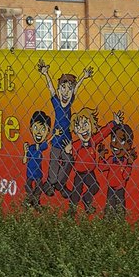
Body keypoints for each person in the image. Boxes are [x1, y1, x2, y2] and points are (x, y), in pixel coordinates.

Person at [37, 60, 93, 197]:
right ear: (59, 89)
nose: (66, 92)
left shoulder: (69, 103)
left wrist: (83, 78)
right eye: (63, 87)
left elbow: (77, 88)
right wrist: (46, 74)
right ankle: (50, 183)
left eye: (69, 88)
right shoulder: (56, 101)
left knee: (68, 160)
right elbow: (50, 88)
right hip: (56, 136)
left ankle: (60, 183)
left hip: (67, 138)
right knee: (54, 162)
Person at [66, 106, 120, 215]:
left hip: (89, 172)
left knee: (94, 186)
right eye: (78, 127)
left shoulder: (93, 141)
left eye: (85, 124)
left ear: (92, 125)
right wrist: (68, 149)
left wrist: (114, 123)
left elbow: (103, 132)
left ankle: (87, 200)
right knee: (76, 192)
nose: (83, 129)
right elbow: (69, 151)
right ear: (75, 130)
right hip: (79, 173)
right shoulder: (76, 145)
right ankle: (71, 211)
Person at [99, 121, 137, 219]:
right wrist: (101, 156)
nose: (115, 143)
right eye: (113, 138)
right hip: (110, 189)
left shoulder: (125, 161)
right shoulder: (112, 159)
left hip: (120, 190)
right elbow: (102, 167)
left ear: (128, 145)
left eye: (121, 141)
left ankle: (119, 223)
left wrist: (129, 163)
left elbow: (125, 176)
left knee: (120, 209)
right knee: (109, 208)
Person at [22, 110, 51, 208]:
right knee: (28, 186)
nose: (38, 132)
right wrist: (25, 152)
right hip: (30, 173)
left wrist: (55, 134)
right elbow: (24, 161)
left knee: (39, 187)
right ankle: (31, 201)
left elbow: (48, 141)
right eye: (36, 128)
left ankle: (34, 202)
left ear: (47, 132)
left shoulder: (41, 147)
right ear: (31, 129)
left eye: (43, 130)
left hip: (38, 174)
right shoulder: (31, 148)